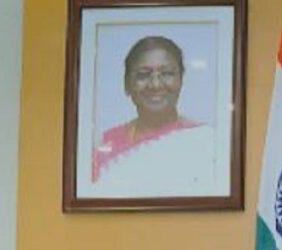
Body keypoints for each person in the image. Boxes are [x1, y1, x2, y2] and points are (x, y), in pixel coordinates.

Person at [88, 36, 215, 197]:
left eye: (166, 74)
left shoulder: (207, 142)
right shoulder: (105, 146)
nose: (155, 85)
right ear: (127, 84)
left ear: (181, 80)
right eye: (143, 75)